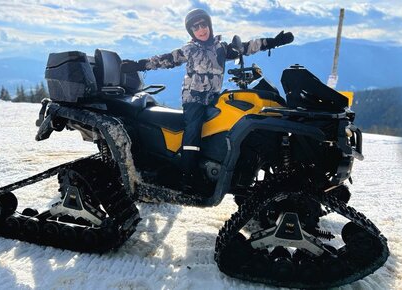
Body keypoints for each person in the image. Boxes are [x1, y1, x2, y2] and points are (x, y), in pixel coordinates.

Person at [122, 8, 293, 195]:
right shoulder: (190, 50)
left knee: (222, 125)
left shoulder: (221, 48)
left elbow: (248, 47)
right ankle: (187, 177)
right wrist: (138, 65)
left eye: (203, 25)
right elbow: (165, 60)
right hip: (194, 98)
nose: (201, 30)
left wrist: (275, 42)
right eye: (196, 28)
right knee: (194, 131)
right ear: (191, 32)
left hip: (212, 97)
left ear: (209, 26)